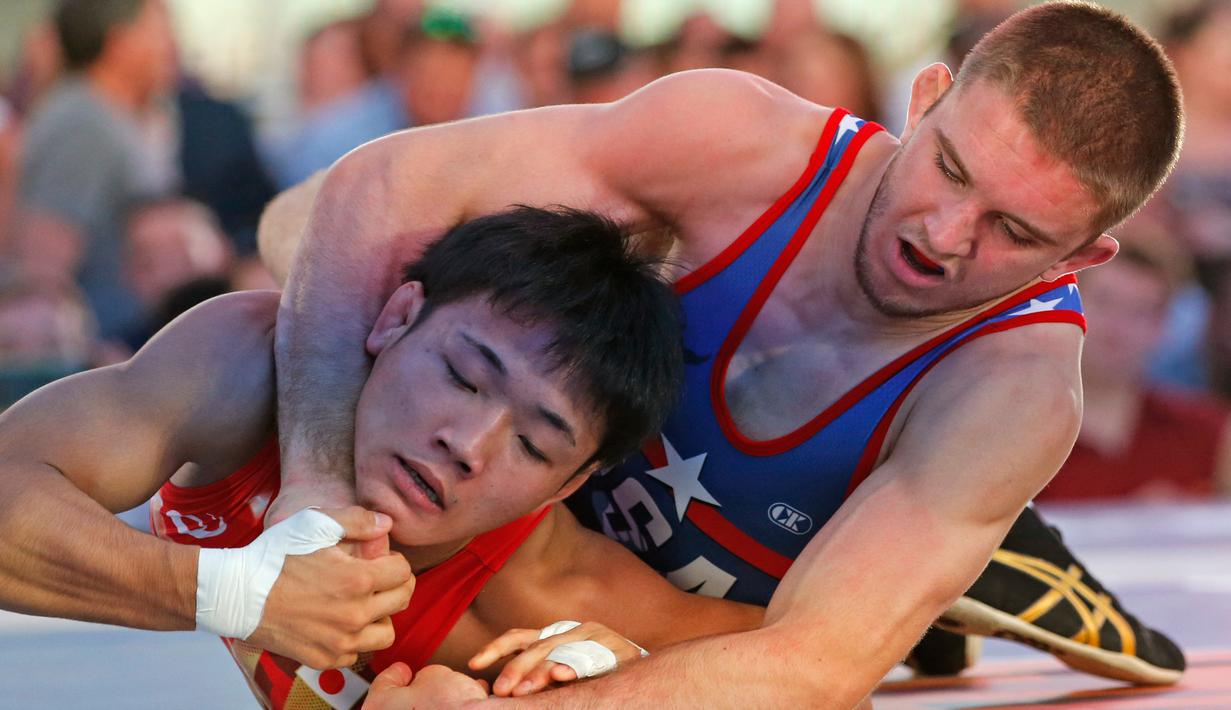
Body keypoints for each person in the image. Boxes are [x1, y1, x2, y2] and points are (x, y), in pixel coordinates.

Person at [262, 3, 1187, 706]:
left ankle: (956, 567)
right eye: (947, 168)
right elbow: (377, 185)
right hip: (560, 506)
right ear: (923, 99)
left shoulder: (1013, 389)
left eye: (1012, 231)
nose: (942, 236)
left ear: (1075, 261)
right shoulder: (741, 144)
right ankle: (930, 575)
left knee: (810, 630)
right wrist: (316, 482)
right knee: (292, 260)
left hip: (717, 580)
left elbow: (816, 668)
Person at [0, 206, 759, 707]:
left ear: (567, 486)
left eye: (532, 445)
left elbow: (815, 672)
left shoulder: (549, 601)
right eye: (461, 375)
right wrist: (235, 592)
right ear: (396, 316)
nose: (465, 444)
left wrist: (620, 690)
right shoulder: (251, 366)